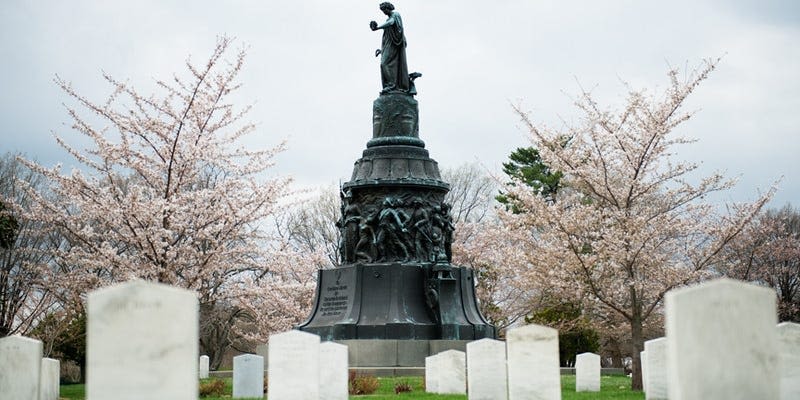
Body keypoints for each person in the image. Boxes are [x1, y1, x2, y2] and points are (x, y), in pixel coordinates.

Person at [370, 2, 410, 94]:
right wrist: (382, 50)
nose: (383, 12)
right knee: (383, 64)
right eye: (382, 10)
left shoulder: (395, 15)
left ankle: (392, 85)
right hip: (389, 46)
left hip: (395, 44)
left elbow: (391, 22)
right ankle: (390, 84)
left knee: (385, 64)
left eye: (384, 9)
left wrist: (377, 28)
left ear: (388, 8)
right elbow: (386, 38)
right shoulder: (388, 20)